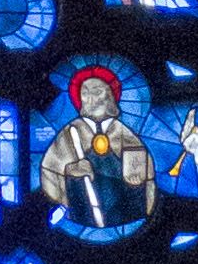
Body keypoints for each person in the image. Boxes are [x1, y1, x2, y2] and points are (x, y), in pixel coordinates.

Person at [39, 65, 157, 236]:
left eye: (97, 91)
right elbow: (49, 171)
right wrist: (71, 171)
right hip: (83, 213)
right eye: (85, 92)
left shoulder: (124, 134)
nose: (91, 98)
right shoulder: (71, 133)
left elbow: (147, 180)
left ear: (110, 96)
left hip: (125, 214)